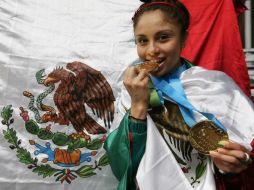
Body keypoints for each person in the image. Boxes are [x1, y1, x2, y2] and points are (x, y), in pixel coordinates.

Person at [104, 0, 254, 190]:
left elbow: (246, 148)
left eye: (163, 37)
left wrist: (231, 167)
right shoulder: (130, 90)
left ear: (184, 39)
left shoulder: (213, 85)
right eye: (142, 40)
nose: (152, 50)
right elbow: (121, 165)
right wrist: (138, 106)